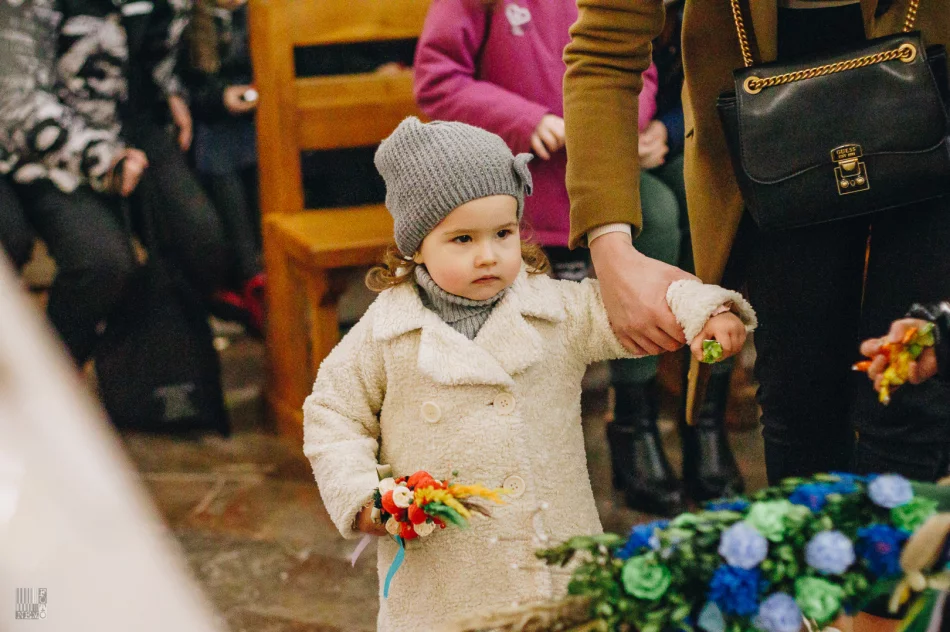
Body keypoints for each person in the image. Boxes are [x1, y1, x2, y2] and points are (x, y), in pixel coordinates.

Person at [302, 117, 756, 631]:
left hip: (555, 560)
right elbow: (333, 413)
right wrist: (365, 497)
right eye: (462, 239)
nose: (488, 254)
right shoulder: (385, 333)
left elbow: (636, 303)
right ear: (415, 244)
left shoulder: (555, 312)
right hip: (444, 580)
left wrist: (704, 311)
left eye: (503, 232)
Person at [562, 0, 950, 483]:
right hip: (771, 140)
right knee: (799, 406)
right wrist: (611, 246)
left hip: (938, 108)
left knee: (915, 402)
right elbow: (605, 49)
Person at [413, 0, 740, 515]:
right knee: (649, 215)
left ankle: (682, 418)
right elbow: (437, 80)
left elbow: (640, 69)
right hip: (520, 173)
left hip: (595, 164)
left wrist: (626, 130)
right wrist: (528, 120)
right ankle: (629, 425)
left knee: (697, 204)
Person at [0, 0, 228, 365]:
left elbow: (162, 44)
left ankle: (152, 374)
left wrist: (172, 89)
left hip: (132, 124)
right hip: (46, 144)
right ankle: (54, 379)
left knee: (203, 244)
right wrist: (101, 158)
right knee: (102, 264)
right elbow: (15, 101)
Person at [184, 0, 265, 333]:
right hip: (214, 128)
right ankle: (252, 279)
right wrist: (221, 98)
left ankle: (258, 276)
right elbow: (189, 90)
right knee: (219, 156)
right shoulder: (191, 21)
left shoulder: (259, 13)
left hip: (262, 125)